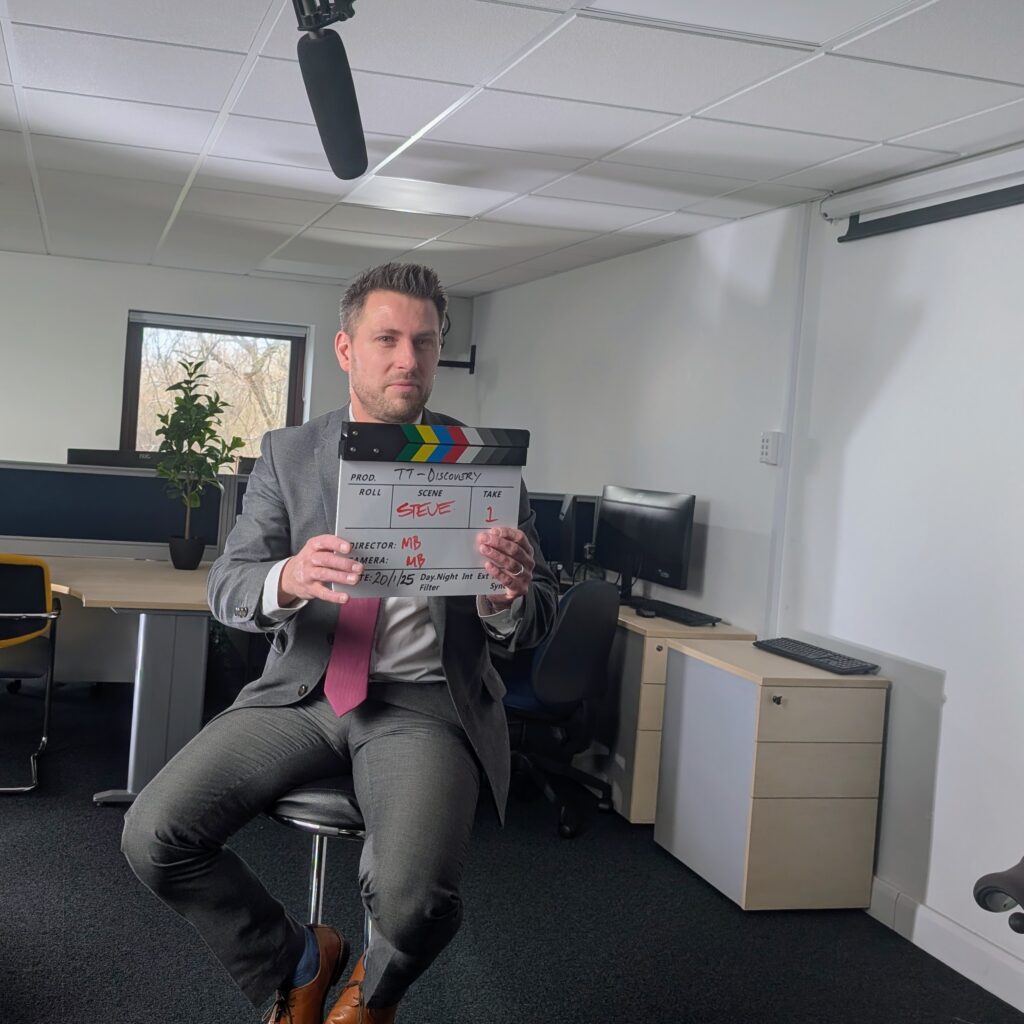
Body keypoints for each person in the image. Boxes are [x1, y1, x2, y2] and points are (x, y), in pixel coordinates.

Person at [121, 262, 558, 1024]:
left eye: (423, 342)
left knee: (415, 900)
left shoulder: (482, 463)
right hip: (304, 692)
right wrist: (287, 575)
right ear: (347, 349)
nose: (407, 359)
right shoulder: (288, 455)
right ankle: (297, 958)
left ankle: (372, 995)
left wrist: (505, 598)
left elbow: (535, 617)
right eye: (387, 339)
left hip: (425, 705)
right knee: (154, 835)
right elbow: (229, 586)